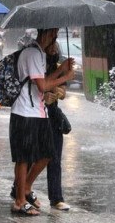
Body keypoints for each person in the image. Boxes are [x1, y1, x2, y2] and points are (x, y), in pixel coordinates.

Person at [10, 27, 74, 216]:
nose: (55, 38)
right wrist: (66, 76)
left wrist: (61, 71)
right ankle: (20, 201)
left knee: (47, 153)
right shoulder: (32, 53)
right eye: (54, 33)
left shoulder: (39, 53)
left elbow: (44, 81)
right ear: (47, 34)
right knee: (24, 158)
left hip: (38, 112)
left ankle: (26, 188)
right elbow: (42, 86)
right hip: (24, 112)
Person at [43, 41, 72, 211]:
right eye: (51, 45)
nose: (54, 48)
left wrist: (58, 92)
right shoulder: (37, 63)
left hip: (53, 116)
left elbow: (63, 93)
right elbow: (40, 86)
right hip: (36, 115)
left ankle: (56, 198)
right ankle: (19, 191)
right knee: (33, 158)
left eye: (55, 46)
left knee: (55, 159)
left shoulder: (57, 66)